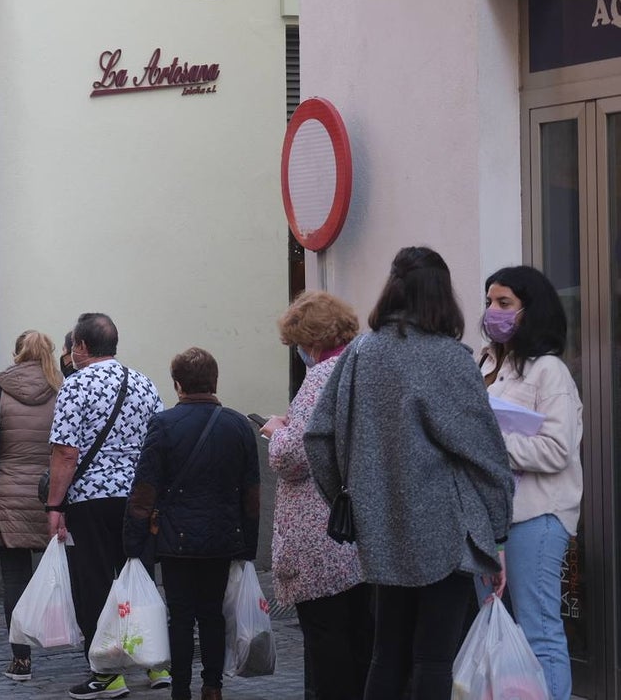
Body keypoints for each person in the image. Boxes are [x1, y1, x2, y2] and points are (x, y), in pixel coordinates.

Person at [304, 247, 515, 700]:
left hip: (380, 531)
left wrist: (351, 497)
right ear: (442, 295)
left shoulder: (360, 352)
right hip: (446, 533)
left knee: (387, 655)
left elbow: (318, 437)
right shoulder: (448, 358)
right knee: (434, 660)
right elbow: (487, 457)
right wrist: (497, 535)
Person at [123, 347, 260, 700]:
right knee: (213, 613)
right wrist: (249, 543)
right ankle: (213, 686)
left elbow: (145, 488)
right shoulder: (238, 425)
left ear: (177, 384)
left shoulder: (164, 424)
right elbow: (251, 491)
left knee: (180, 617)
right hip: (222, 534)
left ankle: (180, 689)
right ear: (214, 381)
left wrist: (134, 540)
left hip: (175, 538)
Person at [45, 312, 166, 700]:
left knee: (94, 584)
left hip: (90, 500)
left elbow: (66, 453)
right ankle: (156, 662)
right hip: (137, 500)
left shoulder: (76, 386)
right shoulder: (144, 383)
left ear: (80, 347)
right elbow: (159, 442)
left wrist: (54, 505)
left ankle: (107, 673)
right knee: (140, 579)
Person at [475, 266, 582, 700]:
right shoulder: (484, 363)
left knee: (538, 631)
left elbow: (558, 450)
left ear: (529, 311)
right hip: (489, 520)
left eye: (504, 304)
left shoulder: (549, 371)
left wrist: (492, 442)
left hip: (536, 517)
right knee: (496, 629)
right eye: (489, 302)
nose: (493, 312)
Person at [261, 291, 372, 700]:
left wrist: (276, 432)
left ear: (310, 339)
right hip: (359, 532)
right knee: (361, 637)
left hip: (321, 531)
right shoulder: (361, 368)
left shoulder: (320, 379)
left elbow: (294, 456)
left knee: (327, 645)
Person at [0, 329, 62, 681]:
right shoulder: (62, 391)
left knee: (15, 579)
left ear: (17, 353)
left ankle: (21, 658)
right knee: (67, 572)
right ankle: (83, 646)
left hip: (9, 494)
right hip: (53, 494)